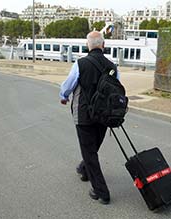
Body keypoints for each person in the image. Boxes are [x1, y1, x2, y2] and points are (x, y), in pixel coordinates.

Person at [59, 31, 119, 205]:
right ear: (103, 45)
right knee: (92, 149)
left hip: (84, 114)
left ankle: (102, 192)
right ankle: (84, 169)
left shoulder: (80, 63)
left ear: (88, 46)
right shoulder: (112, 66)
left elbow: (68, 85)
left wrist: (64, 96)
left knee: (89, 152)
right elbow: (117, 89)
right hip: (104, 116)